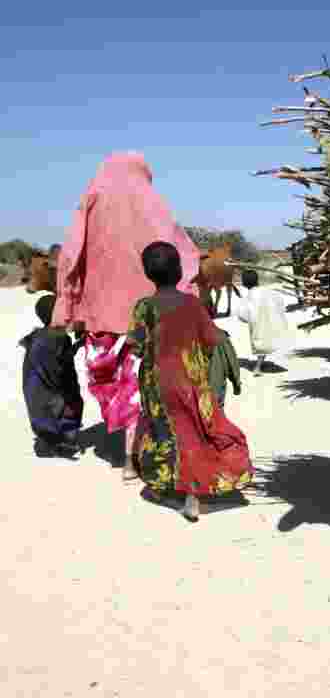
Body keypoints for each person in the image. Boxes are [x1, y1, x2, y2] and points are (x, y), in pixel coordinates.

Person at [51, 153, 201, 480]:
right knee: (145, 386)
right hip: (153, 317)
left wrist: (66, 304)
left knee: (117, 387)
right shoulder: (152, 202)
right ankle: (141, 457)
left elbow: (70, 255)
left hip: (101, 318)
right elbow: (181, 248)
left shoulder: (91, 197)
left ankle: (129, 456)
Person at [128, 242, 253, 523]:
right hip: (192, 381)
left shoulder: (144, 307)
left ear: (147, 274)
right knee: (198, 433)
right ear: (181, 270)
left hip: (157, 384)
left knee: (166, 434)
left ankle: (170, 489)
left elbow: (135, 346)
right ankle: (194, 496)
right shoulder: (192, 303)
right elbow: (211, 340)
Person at [20, 294, 84, 459]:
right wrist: (63, 390)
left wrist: (76, 345)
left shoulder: (44, 336)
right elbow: (55, 368)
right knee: (58, 412)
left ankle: (54, 441)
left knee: (49, 415)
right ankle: (51, 446)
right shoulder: (55, 339)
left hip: (38, 388)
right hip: (48, 389)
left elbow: (60, 359)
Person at [235, 270, 291, 375]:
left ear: (244, 283)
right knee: (265, 341)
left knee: (260, 342)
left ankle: (257, 367)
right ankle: (259, 364)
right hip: (271, 321)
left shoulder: (249, 297)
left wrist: (247, 318)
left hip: (258, 323)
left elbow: (242, 314)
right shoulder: (268, 291)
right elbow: (280, 301)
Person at [207, 326, 242, 408]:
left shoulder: (181, 336)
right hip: (215, 388)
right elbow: (231, 362)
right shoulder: (220, 335)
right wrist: (236, 383)